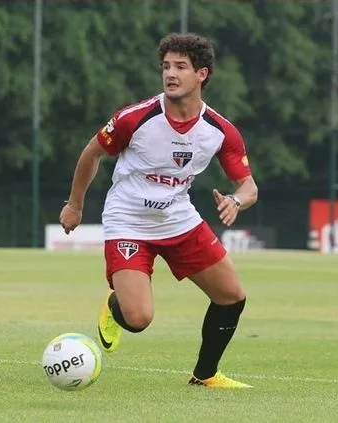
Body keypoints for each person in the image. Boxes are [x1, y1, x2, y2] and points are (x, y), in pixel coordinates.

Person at [59, 32, 258, 388]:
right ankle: (117, 301)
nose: (171, 73)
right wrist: (74, 205)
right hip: (129, 221)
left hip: (179, 219)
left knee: (232, 296)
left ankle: (205, 375)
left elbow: (248, 187)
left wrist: (236, 201)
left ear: (202, 74)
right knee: (137, 319)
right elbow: (92, 153)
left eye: (181, 67)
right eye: (166, 66)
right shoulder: (134, 118)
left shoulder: (220, 131)